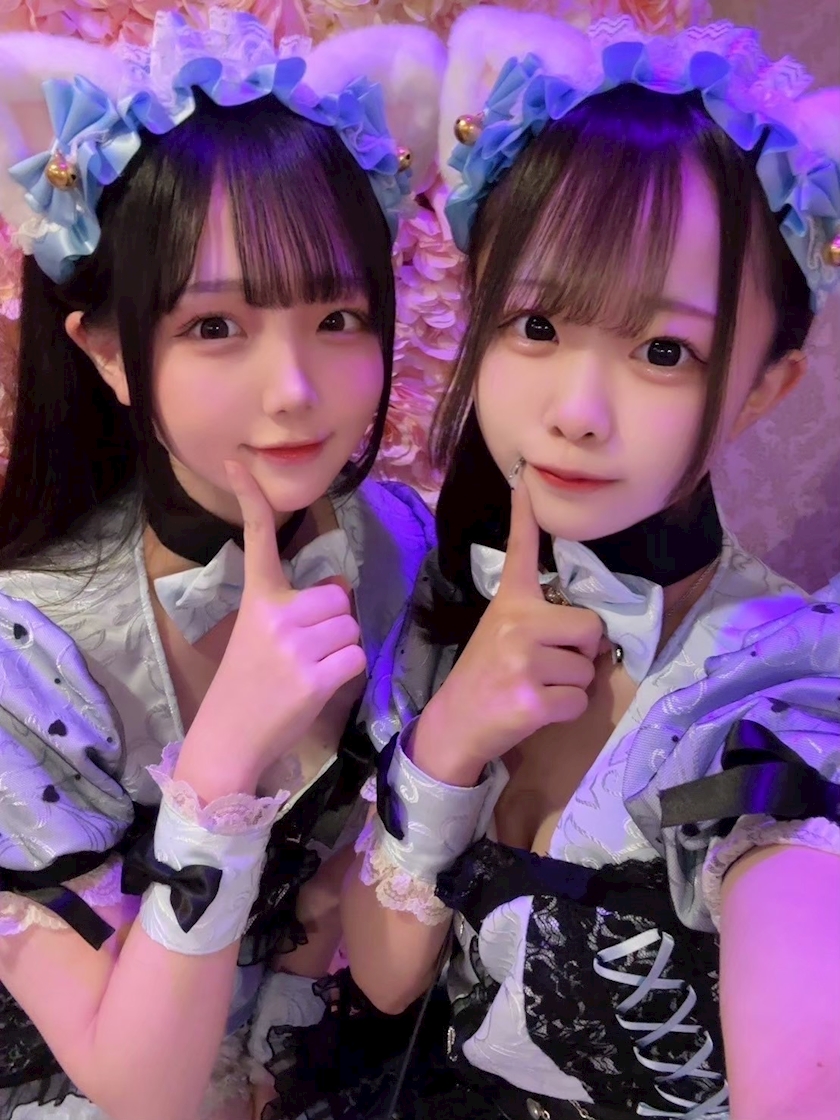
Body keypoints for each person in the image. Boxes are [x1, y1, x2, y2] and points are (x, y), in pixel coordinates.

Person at [330, 10, 840, 1120]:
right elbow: (383, 977)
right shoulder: (440, 608)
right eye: (536, 325)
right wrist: (452, 737)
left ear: (764, 387)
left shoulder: (779, 690)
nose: (576, 411)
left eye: (663, 350)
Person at [0, 10, 443, 1120]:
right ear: (108, 351)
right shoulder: (28, 650)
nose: (295, 389)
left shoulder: (398, 542)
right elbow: (140, 1088)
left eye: (338, 316)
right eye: (215, 326)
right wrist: (223, 758)